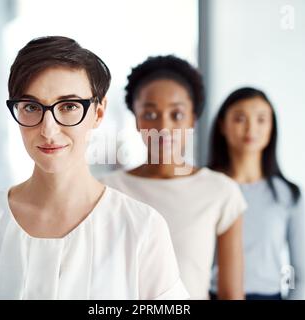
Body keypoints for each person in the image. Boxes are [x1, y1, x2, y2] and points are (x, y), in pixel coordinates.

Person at [0, 36, 189, 300]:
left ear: (98, 113)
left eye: (69, 106)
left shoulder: (141, 227)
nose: (48, 129)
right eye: (31, 107)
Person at [100, 55, 247, 300]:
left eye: (177, 115)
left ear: (193, 119)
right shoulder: (106, 191)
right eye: (149, 114)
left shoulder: (221, 191)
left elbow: (231, 294)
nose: (163, 127)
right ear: (136, 119)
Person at [208, 87, 305, 300]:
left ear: (272, 127)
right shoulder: (206, 188)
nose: (251, 128)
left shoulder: (288, 194)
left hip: (269, 295)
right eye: (240, 118)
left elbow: (297, 273)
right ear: (222, 125)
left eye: (261, 119)